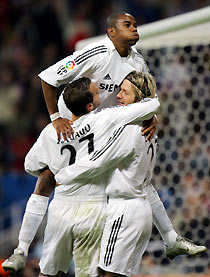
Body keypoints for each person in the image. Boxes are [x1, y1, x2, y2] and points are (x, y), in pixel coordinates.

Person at [2, 12, 205, 273]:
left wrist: (152, 117)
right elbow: (48, 77)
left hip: (106, 126)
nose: (134, 28)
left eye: (134, 24)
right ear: (111, 32)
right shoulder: (97, 52)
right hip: (72, 122)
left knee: (137, 179)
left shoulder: (138, 63)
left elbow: (148, 95)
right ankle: (21, 249)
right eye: (127, 24)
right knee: (46, 178)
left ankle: (169, 238)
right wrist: (55, 119)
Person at [21, 75, 160, 277]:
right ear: (89, 105)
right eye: (97, 93)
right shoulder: (105, 121)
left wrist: (56, 169)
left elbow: (30, 165)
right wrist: (152, 116)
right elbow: (152, 105)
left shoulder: (51, 132)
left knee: (49, 272)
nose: (105, 94)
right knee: (88, 274)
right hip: (95, 208)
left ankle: (21, 248)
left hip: (62, 205)